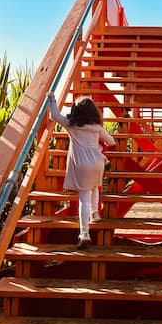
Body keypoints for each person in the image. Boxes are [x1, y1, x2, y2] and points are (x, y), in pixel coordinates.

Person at [47, 91, 115, 249]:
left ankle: (84, 233)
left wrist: (52, 100)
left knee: (83, 198)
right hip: (97, 162)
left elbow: (55, 115)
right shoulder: (97, 127)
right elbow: (110, 141)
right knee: (95, 186)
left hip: (82, 165)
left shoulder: (72, 126)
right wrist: (103, 141)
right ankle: (95, 213)